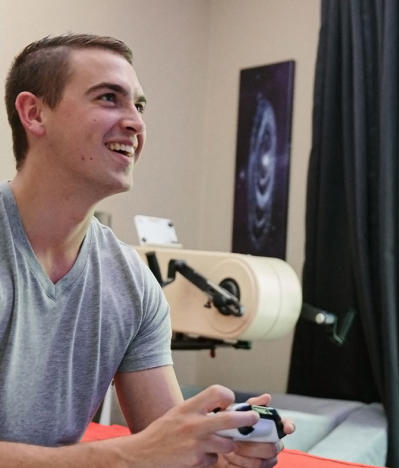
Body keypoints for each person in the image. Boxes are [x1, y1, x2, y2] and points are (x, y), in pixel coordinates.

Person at [0, 33, 293, 467]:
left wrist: (221, 452)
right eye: (108, 98)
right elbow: (142, 454)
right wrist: (124, 456)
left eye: (138, 105)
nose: (135, 123)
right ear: (34, 113)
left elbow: (167, 447)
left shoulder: (132, 284)